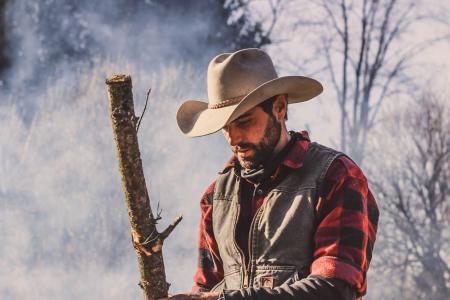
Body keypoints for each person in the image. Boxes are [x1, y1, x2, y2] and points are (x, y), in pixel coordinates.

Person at [173, 48, 379, 300]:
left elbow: (336, 289)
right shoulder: (215, 197)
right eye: (225, 127)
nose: (233, 137)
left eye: (244, 121)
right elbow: (206, 287)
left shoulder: (335, 177)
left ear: (280, 108)